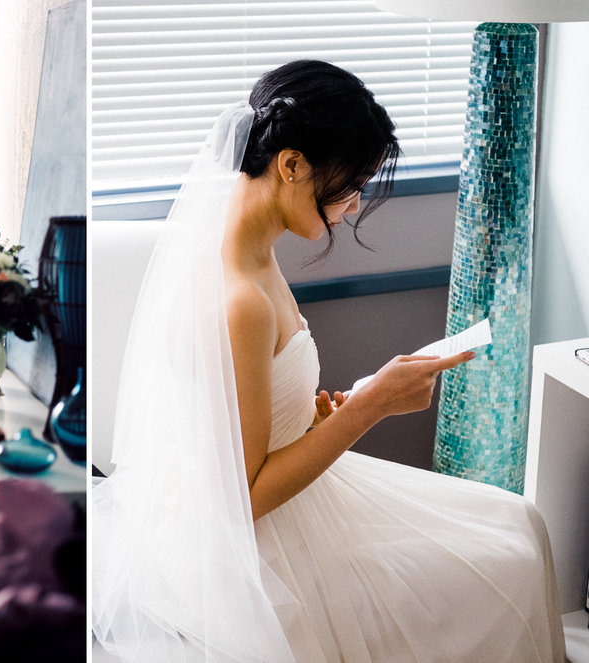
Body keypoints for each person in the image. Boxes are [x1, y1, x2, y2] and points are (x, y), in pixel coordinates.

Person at [92, 61, 564, 662]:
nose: (355, 202)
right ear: (291, 165)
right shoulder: (241, 297)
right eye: (352, 183)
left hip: (297, 497)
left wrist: (312, 420)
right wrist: (370, 406)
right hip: (261, 543)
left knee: (515, 521)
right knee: (511, 553)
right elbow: (248, 495)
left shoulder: (252, 254)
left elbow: (235, 423)